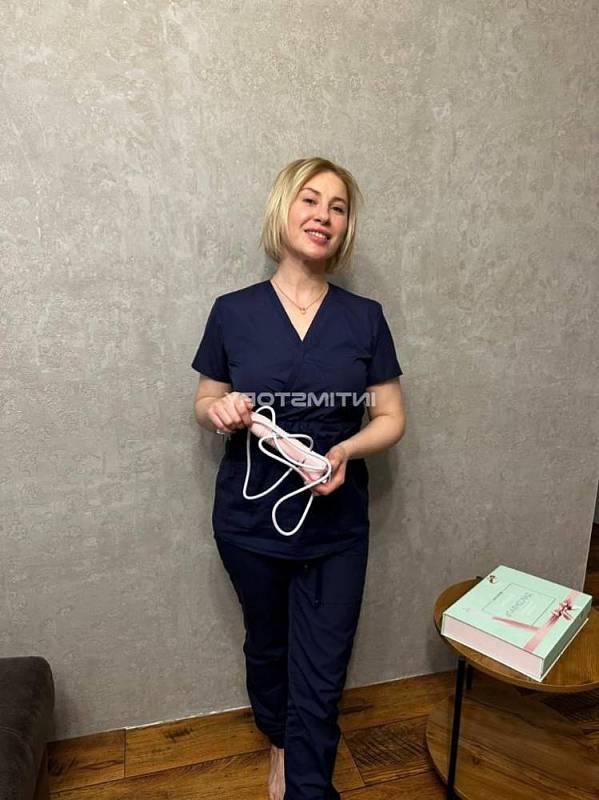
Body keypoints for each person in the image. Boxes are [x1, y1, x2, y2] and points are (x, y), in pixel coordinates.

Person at [192, 157, 406, 800]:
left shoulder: (365, 317)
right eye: (310, 200)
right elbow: (204, 401)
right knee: (269, 646)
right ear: (283, 210)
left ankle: (309, 785)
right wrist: (220, 411)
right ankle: (280, 740)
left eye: (338, 207)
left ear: (345, 228)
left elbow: (391, 417)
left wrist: (346, 450)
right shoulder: (232, 312)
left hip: (336, 526)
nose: (323, 216)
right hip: (249, 523)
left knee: (323, 661)